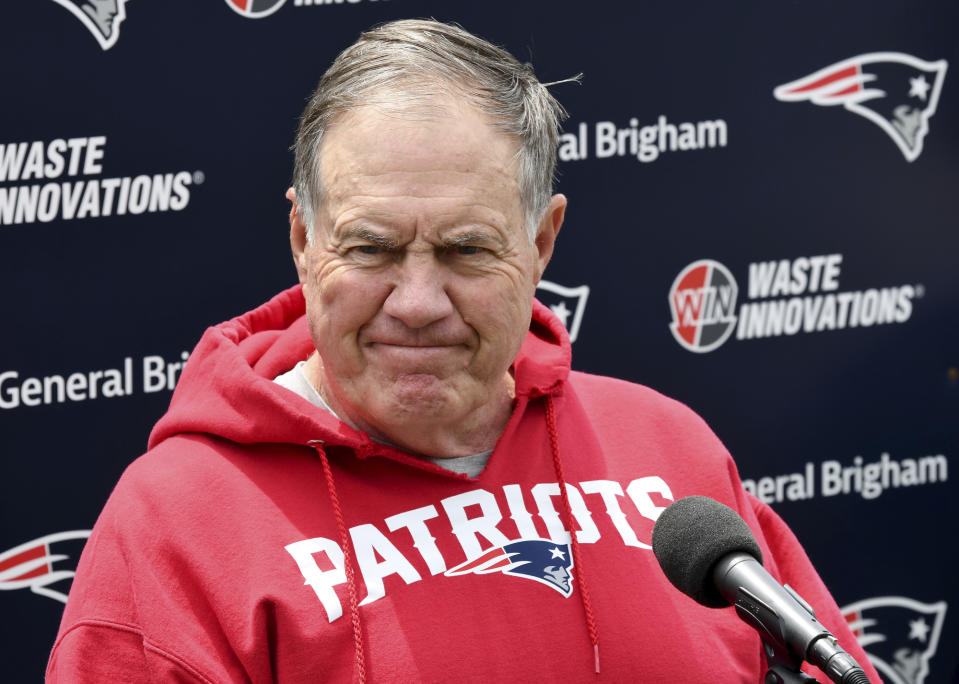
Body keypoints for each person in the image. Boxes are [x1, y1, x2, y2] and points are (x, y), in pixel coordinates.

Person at [47, 19, 880, 683]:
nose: (416, 303)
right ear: (303, 238)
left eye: (466, 251)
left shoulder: (668, 447)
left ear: (542, 241)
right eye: (370, 249)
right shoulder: (176, 525)